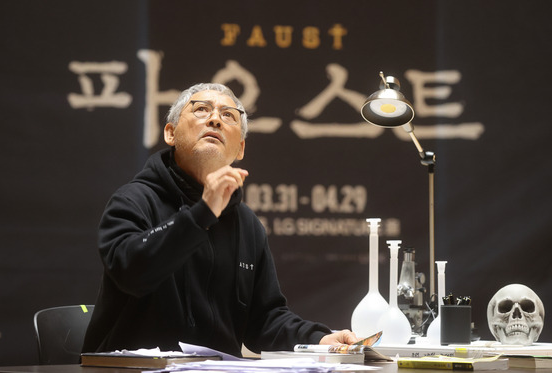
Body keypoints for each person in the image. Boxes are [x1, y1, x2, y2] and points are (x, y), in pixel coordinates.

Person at [82, 83, 357, 356]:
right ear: (170, 133)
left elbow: (264, 321)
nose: (215, 119)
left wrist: (320, 339)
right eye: (201, 110)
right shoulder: (133, 200)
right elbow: (131, 272)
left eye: (228, 115)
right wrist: (201, 214)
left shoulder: (247, 224)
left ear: (240, 149)